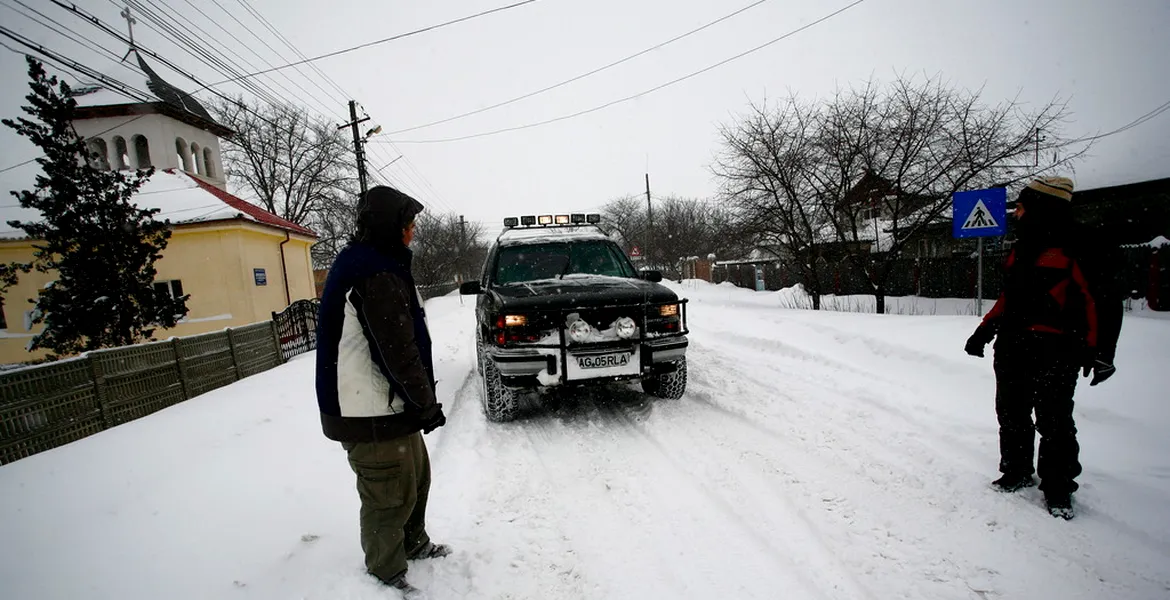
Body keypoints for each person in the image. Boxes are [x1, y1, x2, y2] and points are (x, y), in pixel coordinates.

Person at [315, 186, 450, 591]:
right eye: (407, 226)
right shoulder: (373, 271)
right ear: (389, 227)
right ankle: (384, 575)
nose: (411, 234)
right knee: (387, 494)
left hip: (387, 402)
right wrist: (425, 403)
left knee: (415, 478)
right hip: (367, 406)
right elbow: (396, 351)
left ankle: (413, 543)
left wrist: (416, 402)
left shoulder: (376, 262)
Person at [964, 177, 1123, 520]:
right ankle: (1017, 470)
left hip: (1059, 347)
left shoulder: (1079, 244)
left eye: (1020, 206)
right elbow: (1010, 297)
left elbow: (1103, 301)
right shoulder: (1022, 246)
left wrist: (1102, 352)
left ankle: (1058, 487)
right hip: (1013, 344)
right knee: (1012, 411)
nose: (1016, 212)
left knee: (1054, 419)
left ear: (1039, 206)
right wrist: (983, 331)